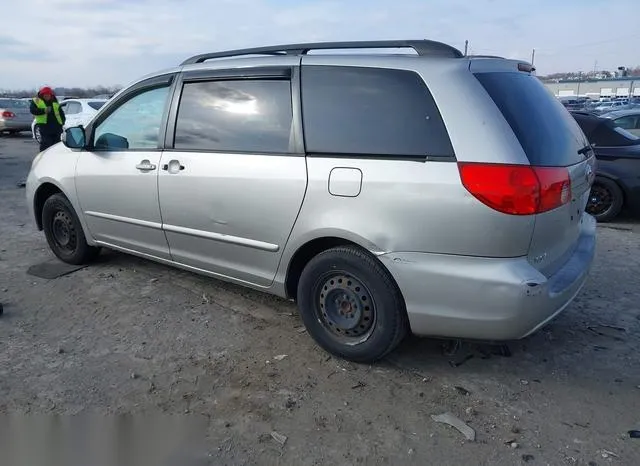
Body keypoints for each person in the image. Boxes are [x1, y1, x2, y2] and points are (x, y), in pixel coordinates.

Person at [30, 86, 66, 152]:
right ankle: (43, 157)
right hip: (44, 126)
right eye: (45, 95)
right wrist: (44, 111)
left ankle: (55, 157)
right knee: (46, 143)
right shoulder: (37, 101)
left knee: (56, 145)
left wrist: (62, 122)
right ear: (42, 95)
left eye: (48, 95)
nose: (47, 97)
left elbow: (61, 113)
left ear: (51, 95)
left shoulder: (54, 101)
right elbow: (33, 110)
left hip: (56, 127)